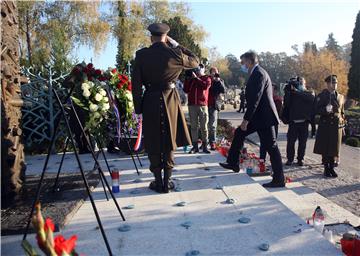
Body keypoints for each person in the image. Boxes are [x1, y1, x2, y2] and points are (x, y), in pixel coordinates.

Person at [131, 23, 199, 193]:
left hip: (150, 100)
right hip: (170, 99)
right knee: (169, 138)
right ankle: (167, 181)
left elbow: (136, 85)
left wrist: (138, 108)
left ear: (150, 37)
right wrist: (177, 45)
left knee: (153, 139)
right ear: (166, 37)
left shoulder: (141, 55)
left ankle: (157, 181)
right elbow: (196, 61)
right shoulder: (175, 53)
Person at [219, 51, 285, 188]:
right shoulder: (256, 73)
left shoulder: (259, 73)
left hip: (264, 118)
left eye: (243, 62)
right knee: (239, 133)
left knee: (271, 147)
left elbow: (256, 99)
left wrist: (246, 120)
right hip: (259, 117)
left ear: (249, 61)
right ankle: (233, 163)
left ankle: (279, 179)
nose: (242, 65)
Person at [313, 75, 345, 178]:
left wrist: (343, 125)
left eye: (336, 82)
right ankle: (326, 168)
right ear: (327, 84)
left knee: (334, 148)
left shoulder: (340, 96)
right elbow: (316, 110)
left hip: (336, 126)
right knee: (325, 148)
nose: (334, 84)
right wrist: (325, 110)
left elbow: (342, 112)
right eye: (332, 82)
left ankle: (332, 167)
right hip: (326, 124)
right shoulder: (322, 96)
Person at [282, 77, 315, 166]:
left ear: (304, 84)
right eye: (298, 83)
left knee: (302, 143)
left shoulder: (308, 93)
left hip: (304, 122)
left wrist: (297, 91)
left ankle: (300, 159)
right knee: (290, 142)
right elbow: (286, 103)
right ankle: (290, 159)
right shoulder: (291, 94)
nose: (299, 84)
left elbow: (311, 99)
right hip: (293, 122)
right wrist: (288, 92)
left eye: (301, 83)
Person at [184, 64, 212, 154]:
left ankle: (204, 146)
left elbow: (205, 86)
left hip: (203, 105)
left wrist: (196, 78)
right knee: (193, 127)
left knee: (204, 127)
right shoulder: (192, 79)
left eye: (199, 68)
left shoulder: (207, 78)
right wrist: (188, 79)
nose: (197, 70)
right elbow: (186, 89)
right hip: (192, 105)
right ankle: (195, 147)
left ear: (203, 69)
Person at [259, 84, 282, 162]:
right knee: (263, 142)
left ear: (275, 91)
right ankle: (262, 159)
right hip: (263, 123)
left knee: (272, 144)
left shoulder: (277, 100)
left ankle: (274, 161)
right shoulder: (264, 98)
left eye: (271, 89)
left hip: (273, 123)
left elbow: (278, 113)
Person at [208, 67, 226, 150]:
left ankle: (212, 142)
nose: (214, 73)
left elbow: (223, 90)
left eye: (216, 72)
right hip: (205, 104)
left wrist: (218, 81)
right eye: (212, 72)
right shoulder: (208, 80)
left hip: (214, 105)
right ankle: (205, 141)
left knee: (212, 125)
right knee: (205, 125)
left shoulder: (220, 81)